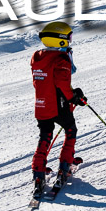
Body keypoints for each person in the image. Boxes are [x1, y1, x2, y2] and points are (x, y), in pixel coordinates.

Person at [30, 21, 87, 197]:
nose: (70, 41)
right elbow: (62, 82)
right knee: (70, 130)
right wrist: (74, 97)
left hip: (41, 104)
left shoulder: (36, 56)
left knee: (45, 136)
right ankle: (64, 167)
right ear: (60, 40)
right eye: (68, 37)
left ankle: (38, 173)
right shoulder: (61, 59)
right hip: (59, 105)